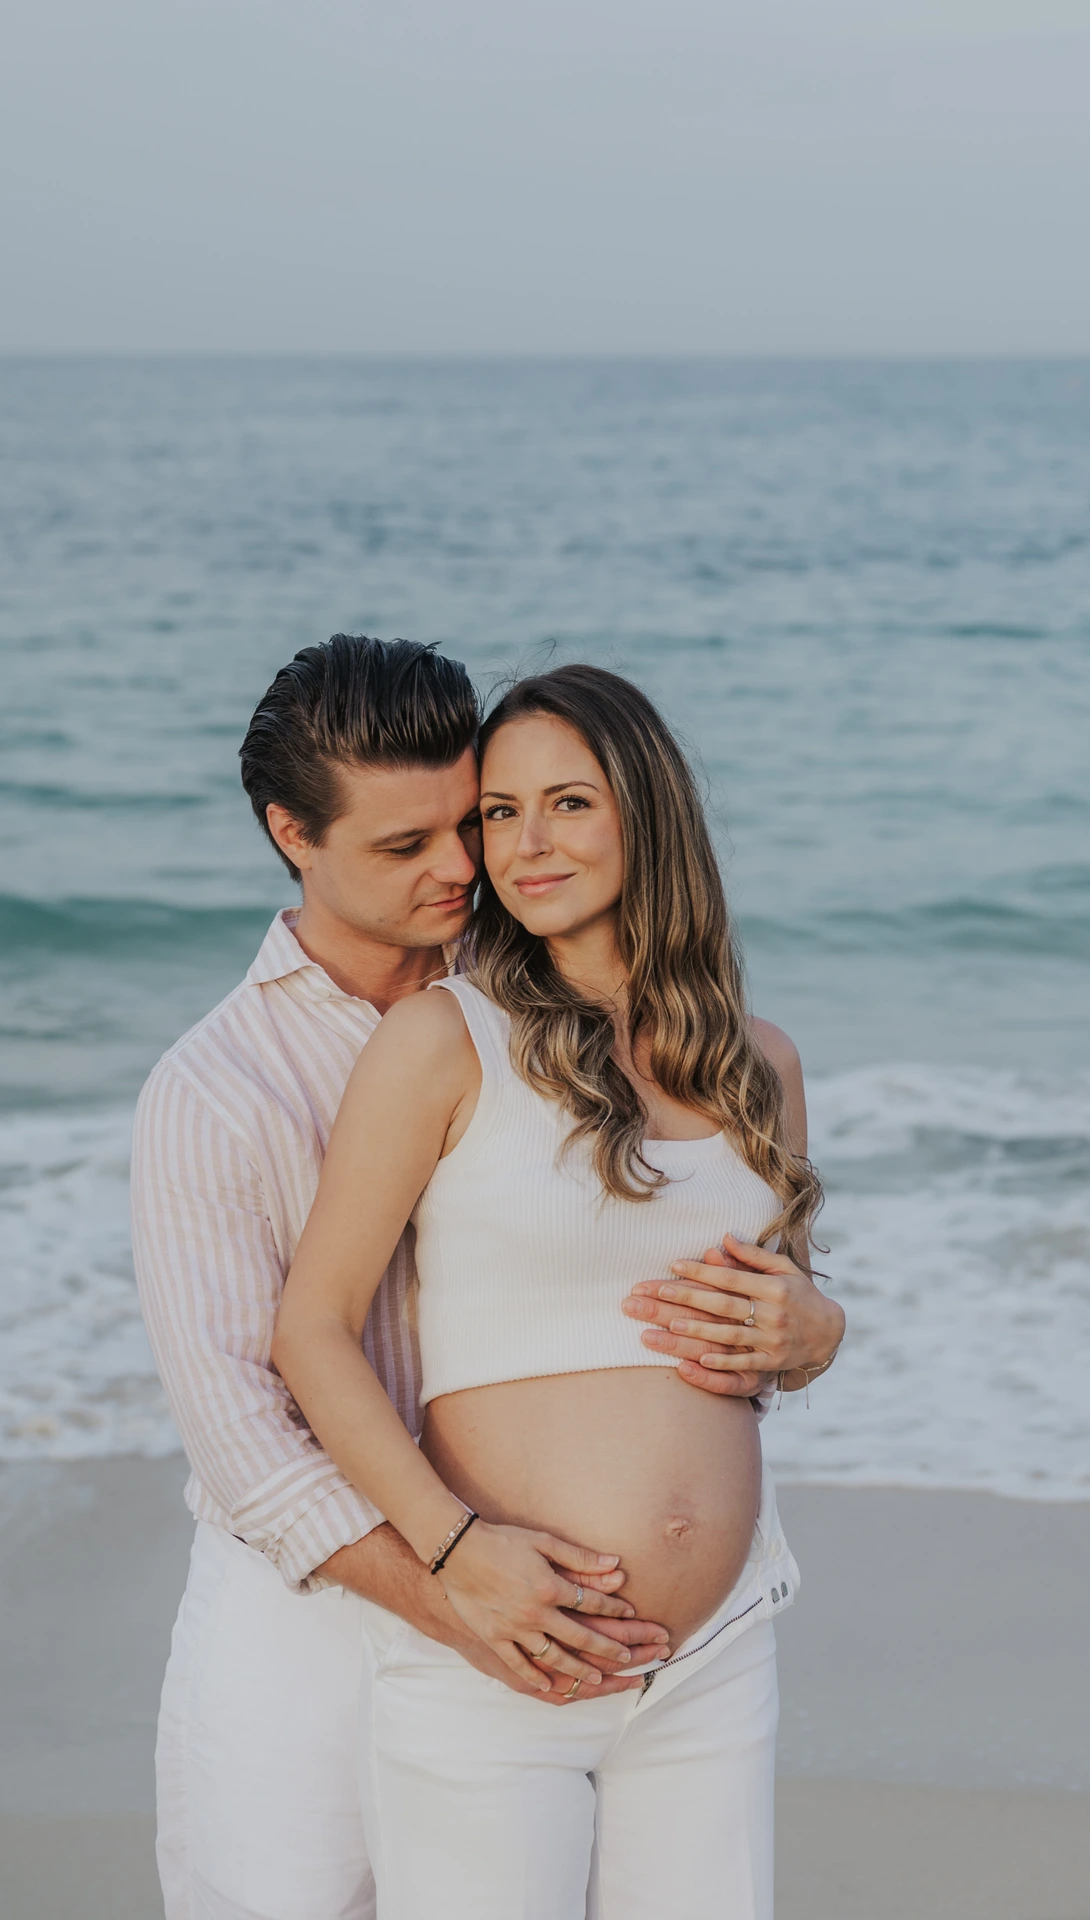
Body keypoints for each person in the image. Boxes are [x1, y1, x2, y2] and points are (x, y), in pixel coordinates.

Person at [132, 637, 845, 1920]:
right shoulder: (218, 1088)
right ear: (294, 836)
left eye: (474, 821)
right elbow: (251, 1426)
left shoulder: (546, 985)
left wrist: (814, 1331)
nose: (470, 865)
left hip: (648, 1630)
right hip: (328, 1585)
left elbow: (721, 1306)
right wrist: (455, 1579)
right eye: (412, 847)